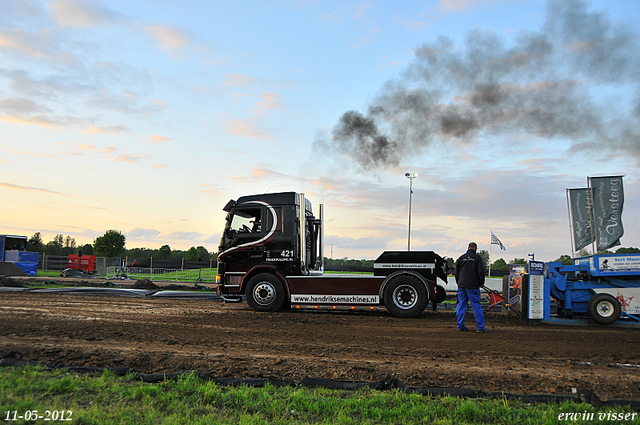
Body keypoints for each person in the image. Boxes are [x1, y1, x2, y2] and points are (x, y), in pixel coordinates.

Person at [454, 242, 487, 333]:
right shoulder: (477, 258)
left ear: (468, 247)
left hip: (462, 285)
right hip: (473, 285)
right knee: (476, 305)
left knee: (461, 304)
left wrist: (459, 282)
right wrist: (481, 283)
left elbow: (456, 272)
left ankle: (460, 325)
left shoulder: (461, 258)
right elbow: (481, 272)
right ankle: (480, 327)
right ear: (476, 248)